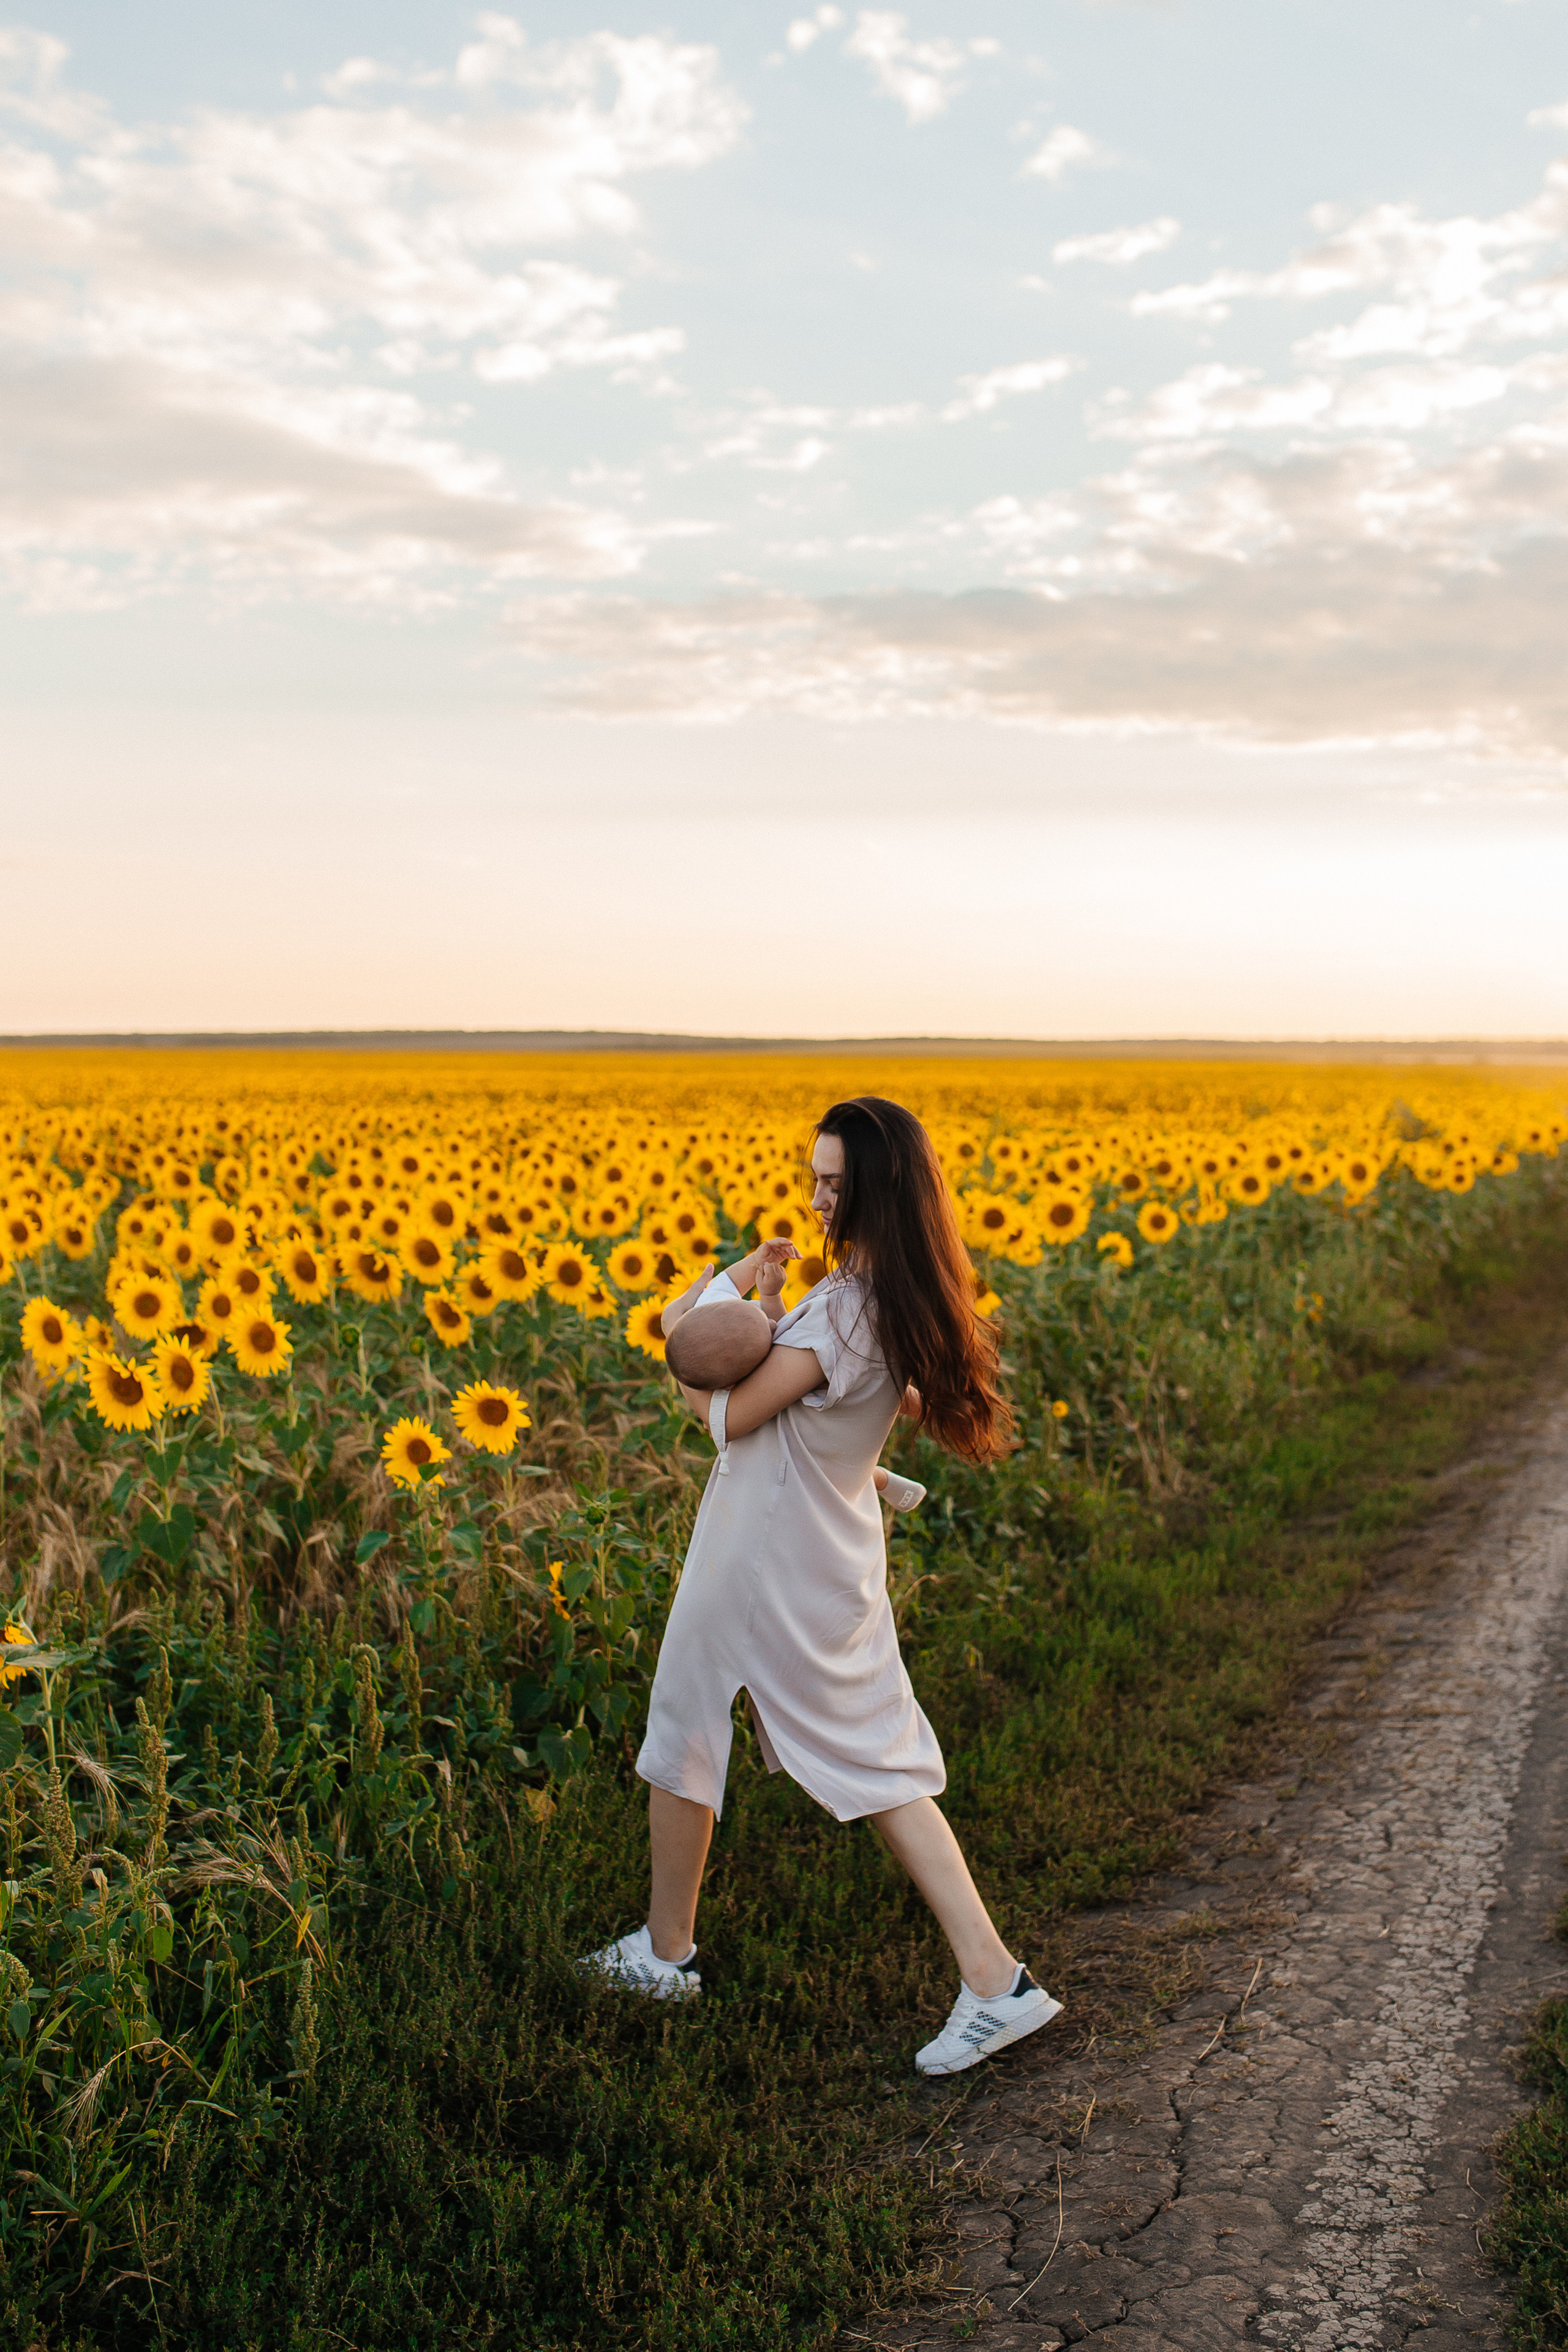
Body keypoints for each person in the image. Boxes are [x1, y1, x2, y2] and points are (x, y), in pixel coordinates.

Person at [582, 1097, 1062, 2077]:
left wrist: (692, 1330)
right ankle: (990, 1978)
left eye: (836, 1185)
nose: (816, 1201)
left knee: (692, 1730)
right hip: (821, 1556)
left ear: (881, 1193)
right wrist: (762, 1310)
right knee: (858, 1753)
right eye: (814, 1179)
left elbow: (726, 1418)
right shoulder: (885, 1297)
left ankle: (671, 1957)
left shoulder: (849, 1307)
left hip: (762, 1561)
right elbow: (830, 1415)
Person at [661, 1242, 927, 1512]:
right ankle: (878, 1478)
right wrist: (770, 1298)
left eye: (760, 1314)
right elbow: (725, 1416)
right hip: (789, 1462)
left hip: (795, 1457)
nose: (774, 1322)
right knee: (823, 1463)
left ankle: (877, 1475)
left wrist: (755, 1262)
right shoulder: (740, 1371)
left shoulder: (712, 1309)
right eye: (769, 1331)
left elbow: (728, 1283)